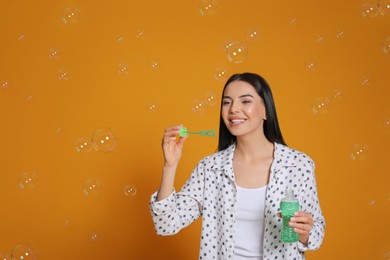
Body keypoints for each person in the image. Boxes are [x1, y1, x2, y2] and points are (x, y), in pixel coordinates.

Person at [149, 72, 325, 259]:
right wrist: (170, 166)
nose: (233, 109)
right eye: (227, 102)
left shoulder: (298, 165)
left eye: (246, 101)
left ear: (266, 110)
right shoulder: (211, 168)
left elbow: (317, 234)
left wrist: (305, 233)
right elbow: (166, 225)